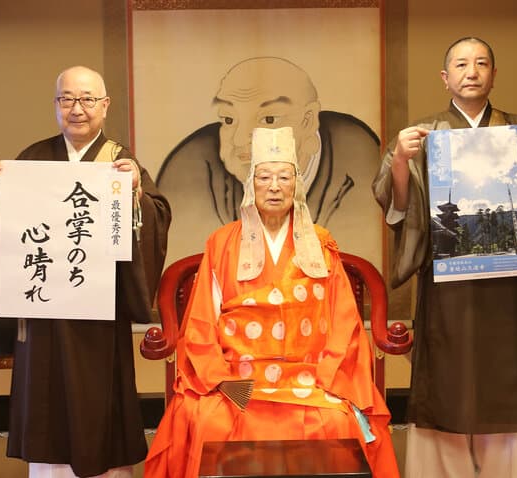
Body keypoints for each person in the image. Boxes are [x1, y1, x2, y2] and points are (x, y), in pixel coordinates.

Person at [144, 127, 399, 478]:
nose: (275, 186)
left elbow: (343, 321)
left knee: (335, 418)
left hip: (310, 373)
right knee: (210, 418)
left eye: (284, 177)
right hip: (237, 374)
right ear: (251, 183)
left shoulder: (321, 243)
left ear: (297, 185)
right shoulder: (222, 242)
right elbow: (202, 320)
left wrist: (327, 374)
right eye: (265, 177)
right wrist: (219, 378)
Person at [372, 37, 517, 477]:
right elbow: (398, 207)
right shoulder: (424, 133)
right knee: (447, 376)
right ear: (445, 78)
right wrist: (401, 159)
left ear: (495, 74)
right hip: (448, 281)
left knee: (506, 374)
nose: (472, 71)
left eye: (481, 63)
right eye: (461, 64)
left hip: (506, 278)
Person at [0, 65, 172, 478]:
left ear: (105, 105)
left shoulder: (121, 162)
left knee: (99, 397)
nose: (76, 109)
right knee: (47, 400)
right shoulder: (32, 159)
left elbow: (156, 217)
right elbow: (14, 233)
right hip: (45, 310)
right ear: (56, 105)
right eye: (66, 99)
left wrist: (135, 193)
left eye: (86, 99)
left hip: (100, 312)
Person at [155, 56, 383, 263]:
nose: (240, 138)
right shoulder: (218, 236)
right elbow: (204, 303)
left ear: (308, 120)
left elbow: (337, 303)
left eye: (269, 118)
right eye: (228, 119)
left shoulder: (322, 240)